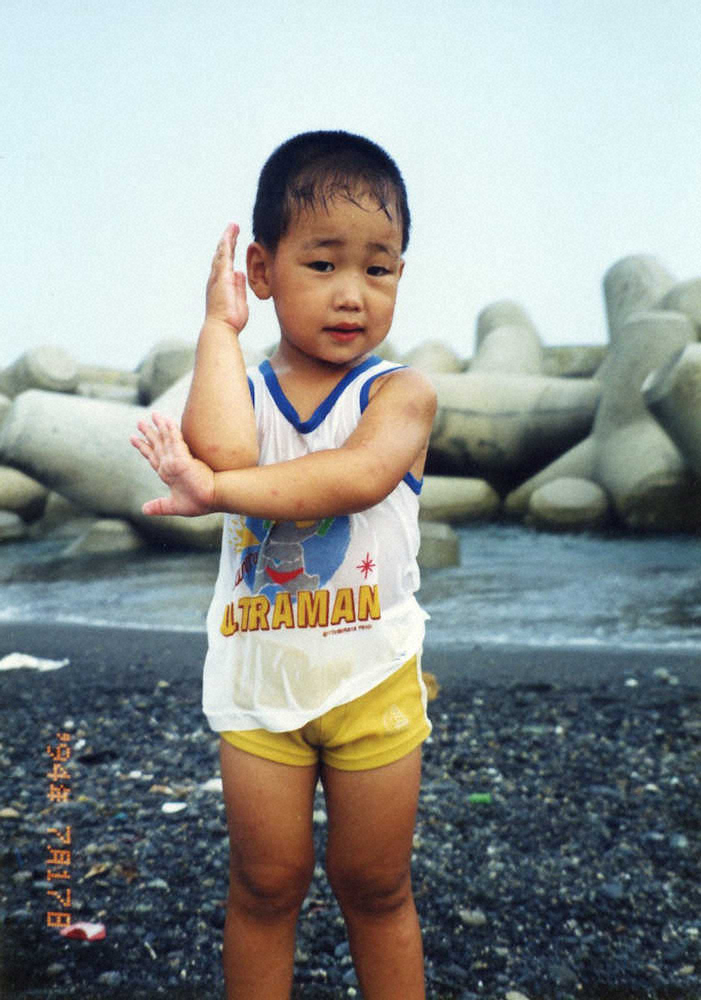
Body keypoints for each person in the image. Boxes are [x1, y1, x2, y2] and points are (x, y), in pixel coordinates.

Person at [131, 130, 437, 1000]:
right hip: (259, 688)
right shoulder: (250, 390)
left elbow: (353, 476)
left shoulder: (400, 394)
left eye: (377, 269)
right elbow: (225, 446)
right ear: (262, 271)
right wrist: (217, 326)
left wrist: (218, 488)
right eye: (321, 265)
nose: (351, 295)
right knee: (264, 886)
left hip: (373, 683)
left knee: (375, 888)